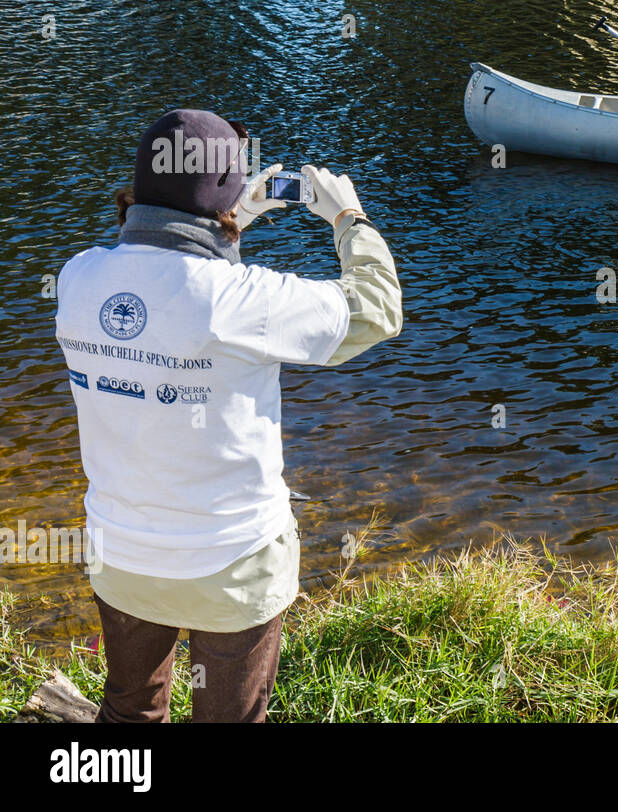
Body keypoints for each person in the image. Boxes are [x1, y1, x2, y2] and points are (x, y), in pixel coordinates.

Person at [54, 109, 402, 722]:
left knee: (128, 712)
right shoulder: (245, 301)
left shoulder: (78, 277)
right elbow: (377, 310)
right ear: (222, 203)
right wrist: (349, 217)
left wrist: (230, 222)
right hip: (231, 565)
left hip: (123, 557)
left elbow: (179, 288)